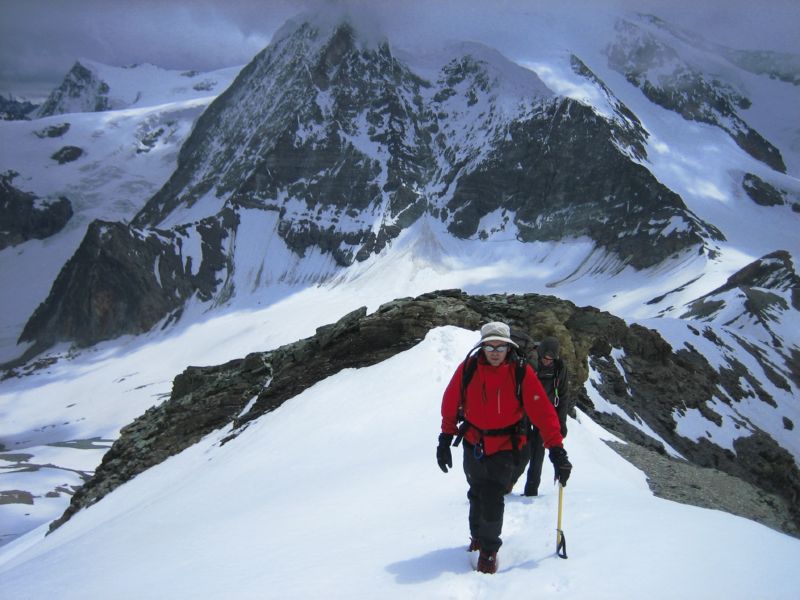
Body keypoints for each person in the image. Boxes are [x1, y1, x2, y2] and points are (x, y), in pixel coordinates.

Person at [436, 322, 572, 574]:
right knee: (476, 491)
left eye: (500, 346)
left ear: (508, 347)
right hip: (474, 442)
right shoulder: (468, 368)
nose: (495, 351)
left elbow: (543, 412)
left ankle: (488, 550)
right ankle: (477, 536)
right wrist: (445, 437)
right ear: (482, 346)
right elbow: (451, 400)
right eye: (490, 346)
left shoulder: (520, 372)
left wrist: (556, 449)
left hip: (507, 445)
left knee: (491, 495)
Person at [513, 336, 571, 497]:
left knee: (538, 456)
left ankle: (531, 492)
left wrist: (561, 423)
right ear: (539, 353)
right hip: (524, 415)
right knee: (521, 455)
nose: (547, 361)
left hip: (545, 417)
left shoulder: (560, 368)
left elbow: (564, 396)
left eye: (551, 359)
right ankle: (506, 487)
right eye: (545, 358)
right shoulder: (529, 362)